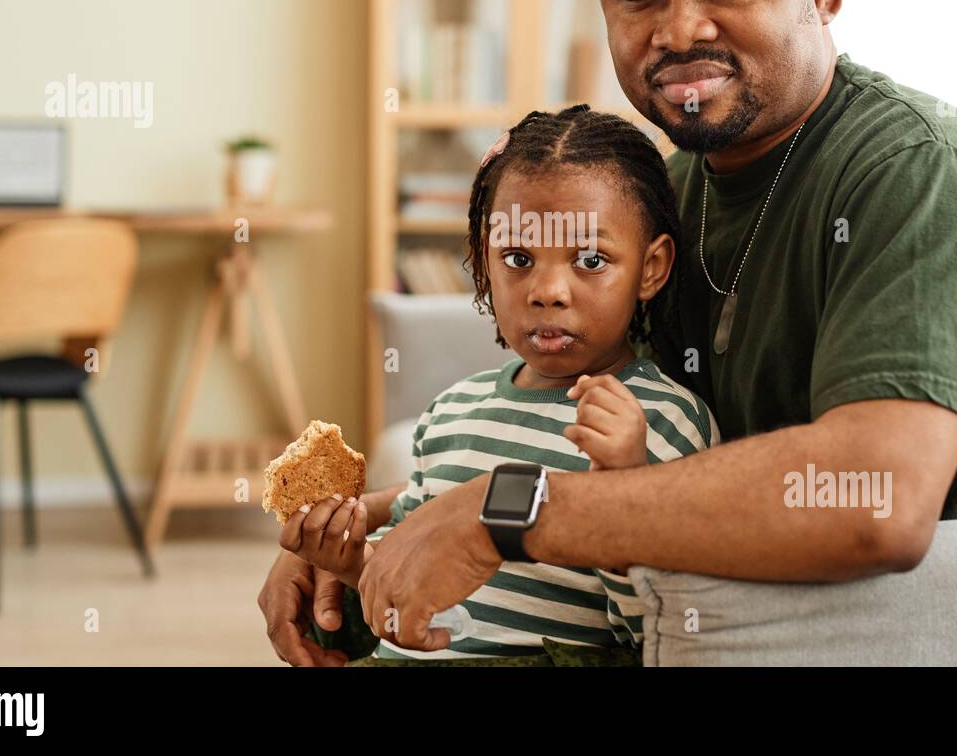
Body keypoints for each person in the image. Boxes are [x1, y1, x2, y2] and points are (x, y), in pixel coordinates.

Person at [259, 0, 957, 665]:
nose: (679, 30)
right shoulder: (669, 190)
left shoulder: (918, 172)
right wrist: (368, 522)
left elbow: (877, 499)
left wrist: (509, 513)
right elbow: (556, 436)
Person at [276, 105, 718, 664]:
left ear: (651, 268)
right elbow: (406, 597)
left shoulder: (665, 421)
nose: (548, 291)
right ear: (484, 266)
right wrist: (348, 562)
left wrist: (621, 490)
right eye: (518, 257)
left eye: (589, 259)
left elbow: (659, 633)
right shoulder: (450, 411)